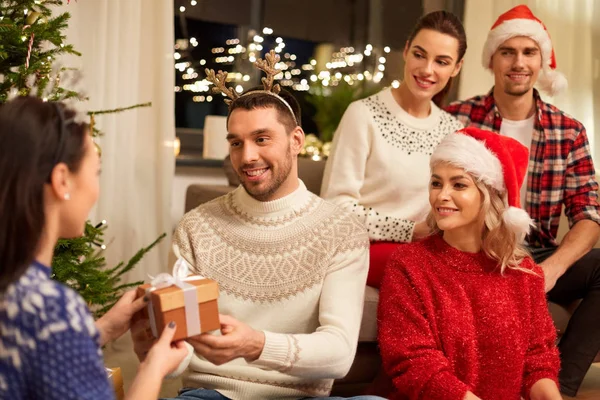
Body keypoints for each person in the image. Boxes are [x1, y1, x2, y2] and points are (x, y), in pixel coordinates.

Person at [132, 51, 383, 400]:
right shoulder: (196, 227)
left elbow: (339, 354)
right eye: (236, 142)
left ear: (296, 141)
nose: (247, 156)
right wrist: (151, 346)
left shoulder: (342, 231)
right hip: (212, 394)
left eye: (262, 139)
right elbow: (181, 354)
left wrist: (257, 345)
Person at [445, 5, 600, 396]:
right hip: (475, 254)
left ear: (543, 60)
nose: (518, 62)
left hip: (538, 256)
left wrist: (555, 268)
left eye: (529, 52)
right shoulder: (457, 119)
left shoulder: (568, 131)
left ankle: (558, 390)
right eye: (507, 51)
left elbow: (589, 213)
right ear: (492, 59)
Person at [0, 96, 189, 400]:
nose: (96, 189)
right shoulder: (48, 306)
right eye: (96, 171)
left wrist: (102, 329)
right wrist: (153, 368)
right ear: (62, 180)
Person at [378, 127, 561, 400]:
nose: (442, 195)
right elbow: (415, 363)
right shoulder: (408, 265)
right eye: (436, 183)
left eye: (459, 184)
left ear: (488, 195)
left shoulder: (524, 274)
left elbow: (539, 360)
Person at [321, 10, 466, 288]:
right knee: (432, 275)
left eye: (442, 61)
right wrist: (409, 230)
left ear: (456, 68)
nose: (427, 70)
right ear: (407, 50)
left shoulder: (452, 131)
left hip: (430, 250)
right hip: (368, 248)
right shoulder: (363, 115)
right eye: (420, 55)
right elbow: (335, 207)